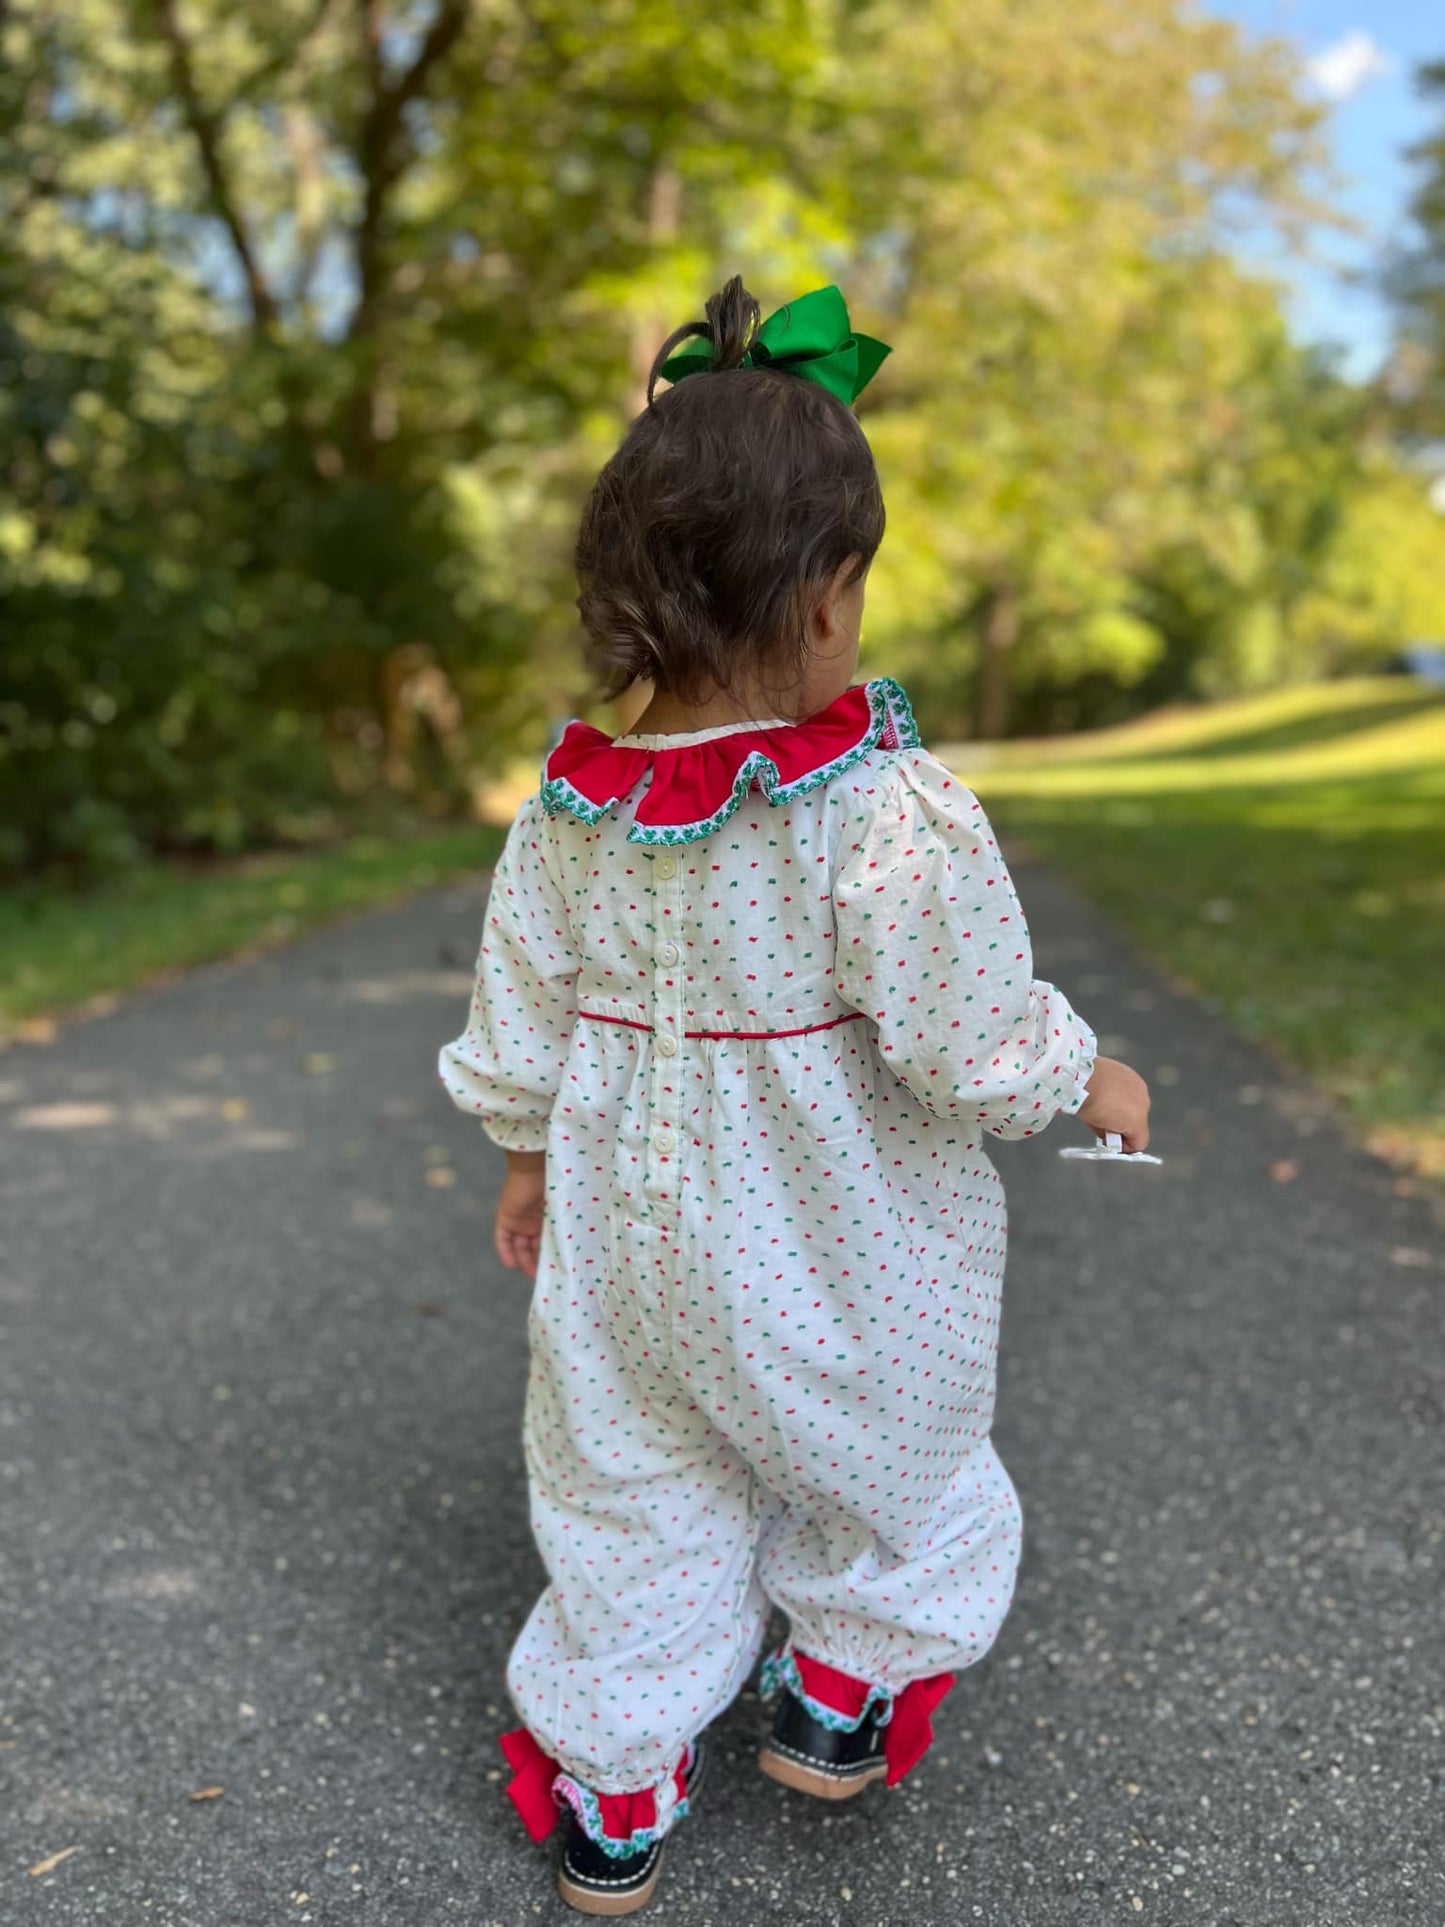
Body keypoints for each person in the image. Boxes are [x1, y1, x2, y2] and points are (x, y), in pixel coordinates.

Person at [438, 277, 1151, 1916]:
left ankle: (614, 1789)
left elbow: (520, 1010)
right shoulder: (881, 808)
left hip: (622, 1245)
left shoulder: (570, 811)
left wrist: (527, 1156)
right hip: (838, 1243)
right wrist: (1093, 1074)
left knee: (627, 1483)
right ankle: (835, 1702)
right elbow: (967, 1040)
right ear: (830, 600)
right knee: (895, 1463)